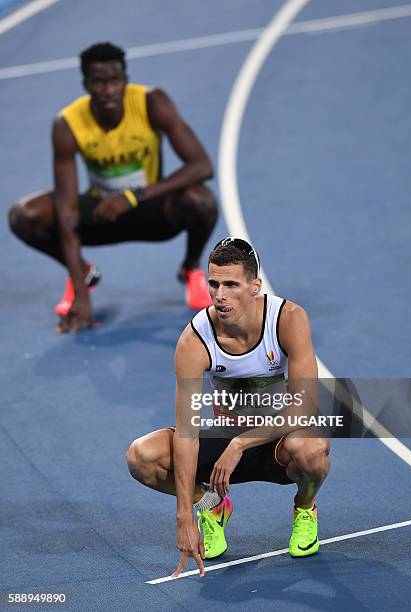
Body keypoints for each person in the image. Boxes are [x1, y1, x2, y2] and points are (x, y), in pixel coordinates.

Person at [126, 237, 331, 577]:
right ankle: (211, 506)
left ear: (255, 287)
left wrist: (242, 442)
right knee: (141, 456)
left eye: (231, 284)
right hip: (223, 443)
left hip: (274, 442)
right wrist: (184, 516)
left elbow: (305, 408)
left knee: (314, 448)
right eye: (214, 283)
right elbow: (188, 431)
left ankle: (305, 507)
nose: (220, 294)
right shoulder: (195, 340)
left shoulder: (288, 319)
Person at [8, 42, 218, 332]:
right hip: (101, 213)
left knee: (202, 200)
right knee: (23, 215)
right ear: (86, 84)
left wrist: (133, 196)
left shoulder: (150, 103)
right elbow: (67, 212)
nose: (108, 90)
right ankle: (83, 273)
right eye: (98, 82)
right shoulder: (67, 124)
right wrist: (82, 297)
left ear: (125, 80)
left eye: (114, 81)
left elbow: (202, 165)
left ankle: (190, 268)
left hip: (150, 210)